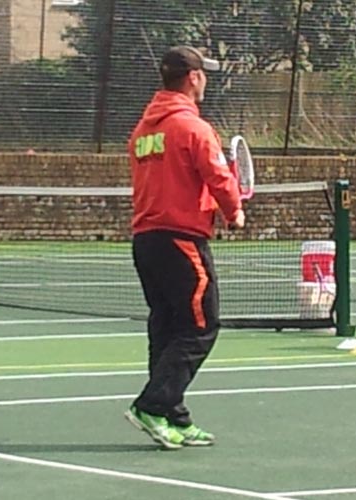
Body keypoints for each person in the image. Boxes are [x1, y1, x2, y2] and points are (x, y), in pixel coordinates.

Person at [125, 46, 245, 450]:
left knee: (166, 327)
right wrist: (234, 212)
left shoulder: (143, 130)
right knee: (200, 327)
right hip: (181, 240)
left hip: (146, 241)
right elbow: (218, 175)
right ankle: (152, 406)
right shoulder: (193, 128)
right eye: (204, 73)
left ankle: (173, 416)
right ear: (193, 77)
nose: (206, 79)